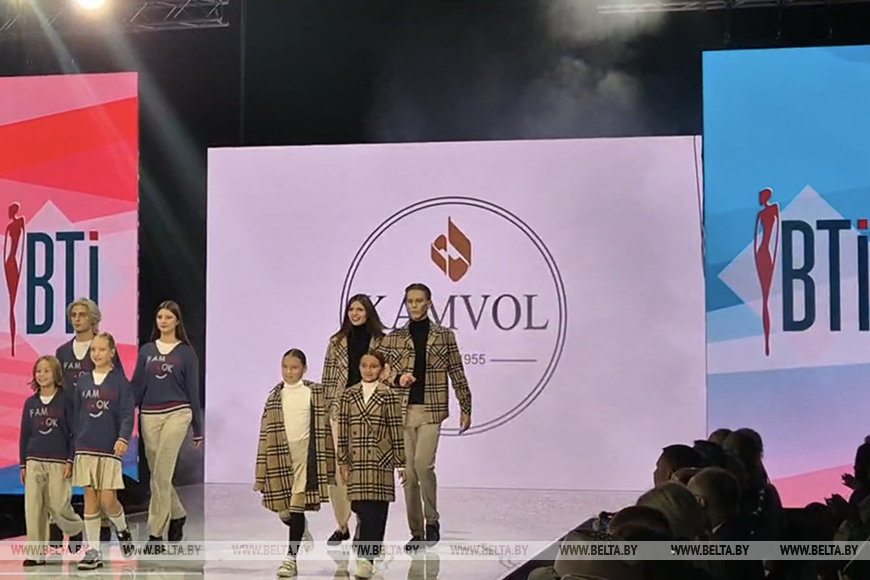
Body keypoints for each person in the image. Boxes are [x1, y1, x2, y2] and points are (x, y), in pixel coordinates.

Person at [386, 283, 472, 550]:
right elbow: (382, 373)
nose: (414, 305)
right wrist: (398, 378)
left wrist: (466, 405)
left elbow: (456, 370)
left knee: (423, 465)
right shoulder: (394, 337)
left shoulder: (444, 336)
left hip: (431, 409)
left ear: (429, 302)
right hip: (402, 410)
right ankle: (417, 532)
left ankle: (432, 521)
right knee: (409, 475)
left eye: (419, 300)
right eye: (410, 301)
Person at [254, 349, 334, 578]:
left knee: (297, 507)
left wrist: (329, 464)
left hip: (305, 456)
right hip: (279, 456)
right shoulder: (274, 398)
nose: (289, 372)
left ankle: (290, 560)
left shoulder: (315, 392)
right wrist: (260, 473)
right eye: (285, 367)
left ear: (304, 369)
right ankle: (301, 529)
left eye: (294, 367)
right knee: (284, 511)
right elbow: (264, 436)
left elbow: (325, 428)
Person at [132, 300, 203, 546]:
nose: (163, 321)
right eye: (160, 317)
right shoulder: (146, 351)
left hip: (178, 413)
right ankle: (178, 513)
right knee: (157, 474)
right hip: (149, 414)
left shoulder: (186, 353)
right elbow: (137, 386)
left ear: (177, 321)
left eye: (168, 317)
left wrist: (197, 429)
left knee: (162, 471)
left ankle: (154, 534)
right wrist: (122, 415)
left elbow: (193, 390)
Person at [55, 298, 123, 546]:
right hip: (68, 418)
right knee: (64, 475)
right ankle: (65, 524)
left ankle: (104, 525)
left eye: (82, 314)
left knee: (99, 480)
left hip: (98, 420)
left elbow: (119, 384)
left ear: (93, 318)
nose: (77, 319)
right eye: (73, 314)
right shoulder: (62, 352)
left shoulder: (102, 346)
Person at [320, 294, 387, 545]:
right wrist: (326, 412)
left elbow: (387, 376)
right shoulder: (336, 342)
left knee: (365, 470)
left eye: (360, 309)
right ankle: (342, 524)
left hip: (370, 411)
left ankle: (363, 522)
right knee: (339, 470)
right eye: (351, 309)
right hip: (340, 411)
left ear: (368, 312)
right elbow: (328, 379)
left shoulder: (382, 341)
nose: (355, 314)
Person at [337, 350, 405, 579]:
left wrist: (401, 462)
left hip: (380, 459)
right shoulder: (348, 395)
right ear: (359, 367)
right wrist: (343, 460)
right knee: (361, 507)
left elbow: (396, 430)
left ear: (382, 369)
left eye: (374, 366)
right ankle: (363, 546)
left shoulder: (388, 395)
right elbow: (343, 430)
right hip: (356, 460)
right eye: (364, 365)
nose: (368, 370)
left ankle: (367, 559)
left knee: (376, 511)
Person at [72, 332, 135, 570]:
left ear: (111, 352)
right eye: (93, 350)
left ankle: (122, 529)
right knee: (90, 498)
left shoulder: (120, 382)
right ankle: (94, 551)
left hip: (109, 447)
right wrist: (75, 443)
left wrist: (123, 438)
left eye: (101, 349)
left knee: (108, 500)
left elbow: (127, 413)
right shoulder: (83, 382)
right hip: (85, 447)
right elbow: (77, 414)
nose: (96, 354)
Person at [19, 355, 83, 566]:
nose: (42, 375)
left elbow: (74, 433)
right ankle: (35, 554)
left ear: (56, 374)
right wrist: (23, 464)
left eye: (46, 370)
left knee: (58, 504)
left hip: (59, 461)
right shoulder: (30, 403)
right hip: (34, 460)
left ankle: (75, 528)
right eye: (38, 371)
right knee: (34, 508)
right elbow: (25, 435)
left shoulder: (66, 400)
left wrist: (70, 459)